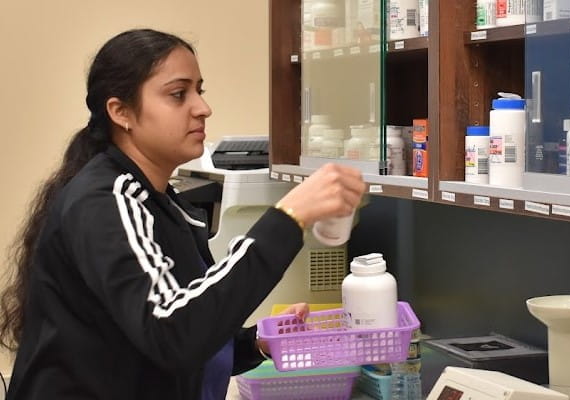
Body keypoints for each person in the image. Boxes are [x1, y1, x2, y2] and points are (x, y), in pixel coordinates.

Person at [0, 29, 366, 400]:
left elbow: (172, 337)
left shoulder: (164, 203)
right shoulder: (107, 201)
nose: (202, 107)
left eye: (199, 91)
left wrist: (256, 344)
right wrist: (288, 217)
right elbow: (171, 333)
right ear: (120, 112)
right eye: (178, 94)